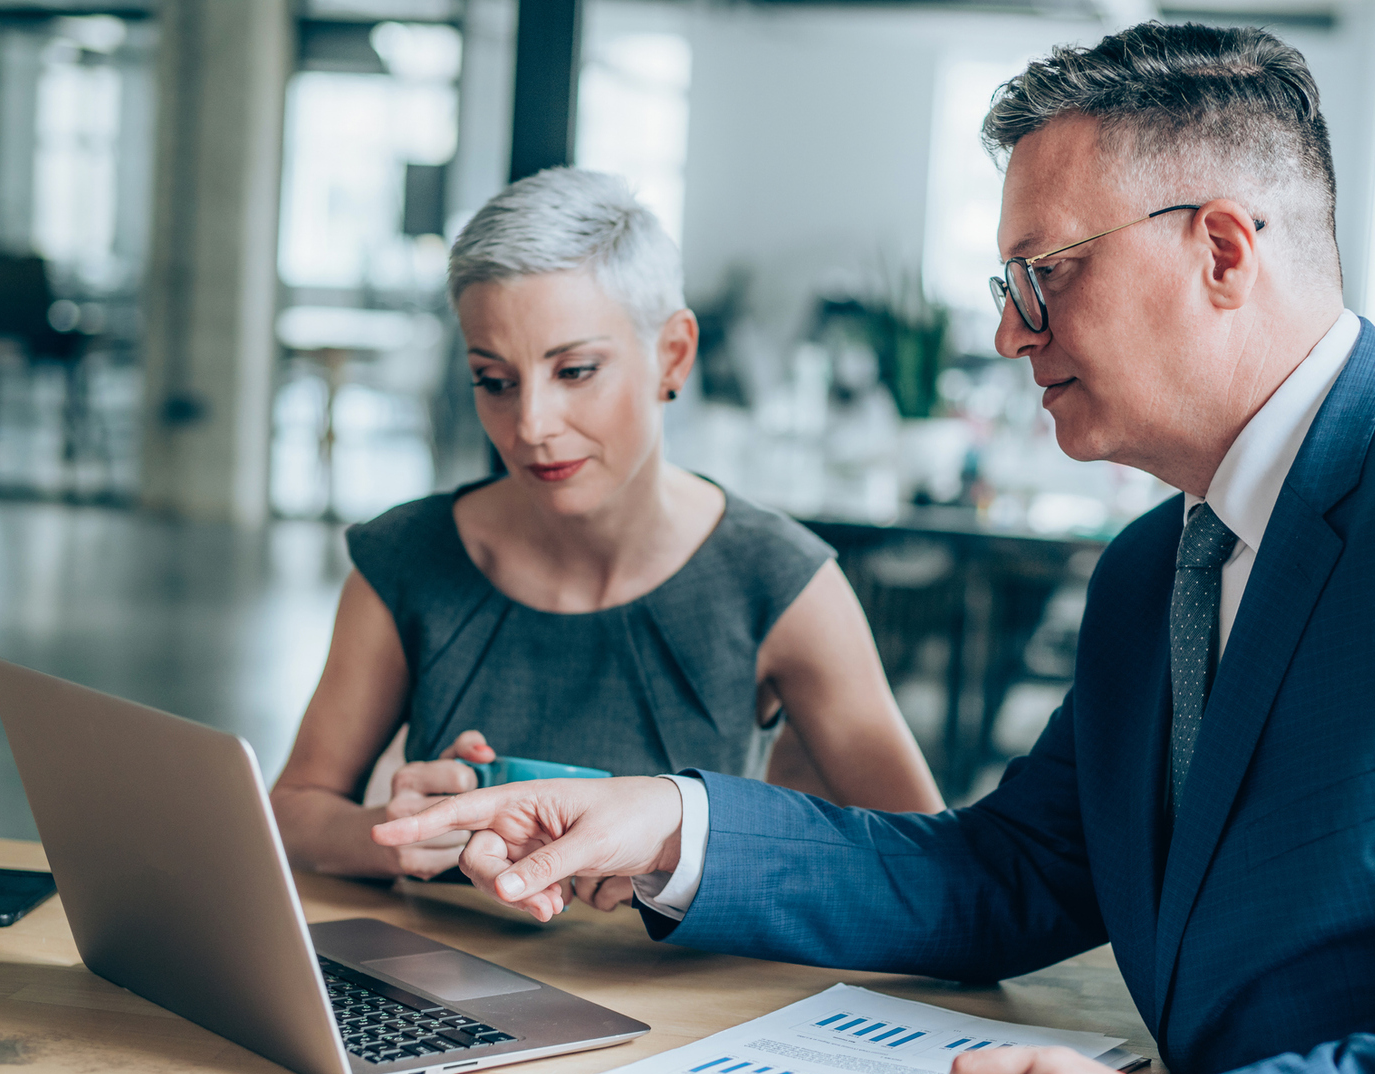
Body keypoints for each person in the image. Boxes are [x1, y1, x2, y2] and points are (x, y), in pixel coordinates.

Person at [374, 23, 1375, 1074]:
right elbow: (1011, 875)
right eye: (1004, 282)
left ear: (1223, 249)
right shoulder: (1161, 562)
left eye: (1046, 275)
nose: (1006, 331)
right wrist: (670, 824)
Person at [273, 168, 941, 891]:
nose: (531, 426)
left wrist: (688, 853)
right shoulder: (406, 560)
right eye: (494, 381)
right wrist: (392, 837)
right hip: (440, 989)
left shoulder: (780, 582)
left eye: (577, 370)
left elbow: (931, 870)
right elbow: (292, 810)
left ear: (673, 356)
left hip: (687, 1001)